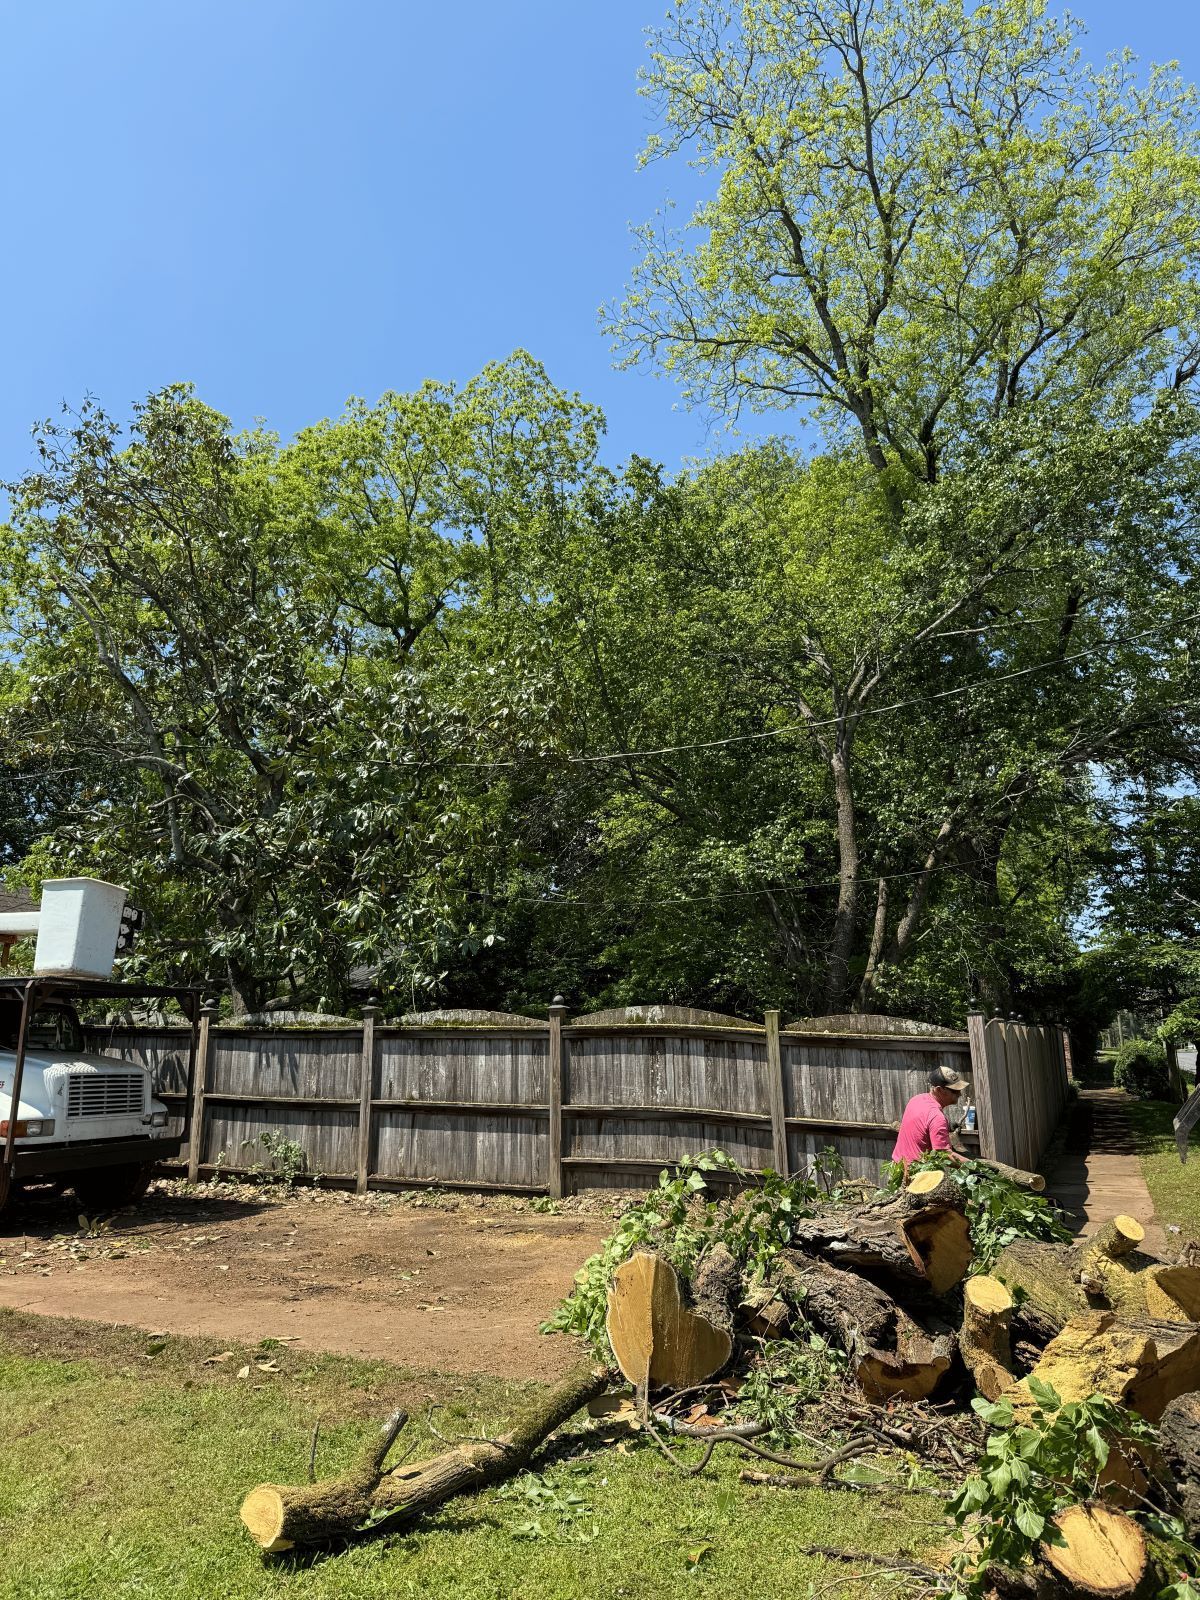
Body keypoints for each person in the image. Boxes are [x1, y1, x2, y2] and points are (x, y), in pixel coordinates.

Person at [892, 1064, 970, 1167]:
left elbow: (922, 1125)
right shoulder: (937, 1118)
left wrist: (948, 1126)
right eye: (954, 1091)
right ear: (939, 1090)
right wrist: (976, 1167)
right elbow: (943, 1155)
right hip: (915, 1175)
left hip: (897, 1164)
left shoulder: (917, 1099)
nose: (959, 1094)